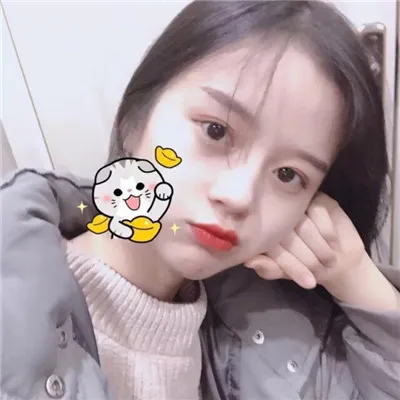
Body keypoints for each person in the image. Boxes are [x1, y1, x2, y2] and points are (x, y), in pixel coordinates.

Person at [1, 1, 399, 399]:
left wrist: (354, 277)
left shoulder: (261, 333)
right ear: (134, 121)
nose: (239, 196)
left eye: (288, 175)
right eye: (215, 131)